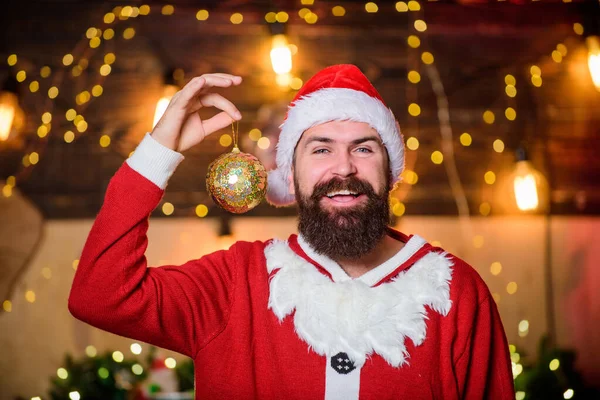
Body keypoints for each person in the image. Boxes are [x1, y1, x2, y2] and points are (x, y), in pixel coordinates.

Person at [69, 65, 514, 399]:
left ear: (390, 169)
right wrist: (158, 151)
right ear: (292, 174)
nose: (343, 167)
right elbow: (100, 295)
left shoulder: (456, 292)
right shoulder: (233, 282)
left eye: (363, 148)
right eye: (321, 149)